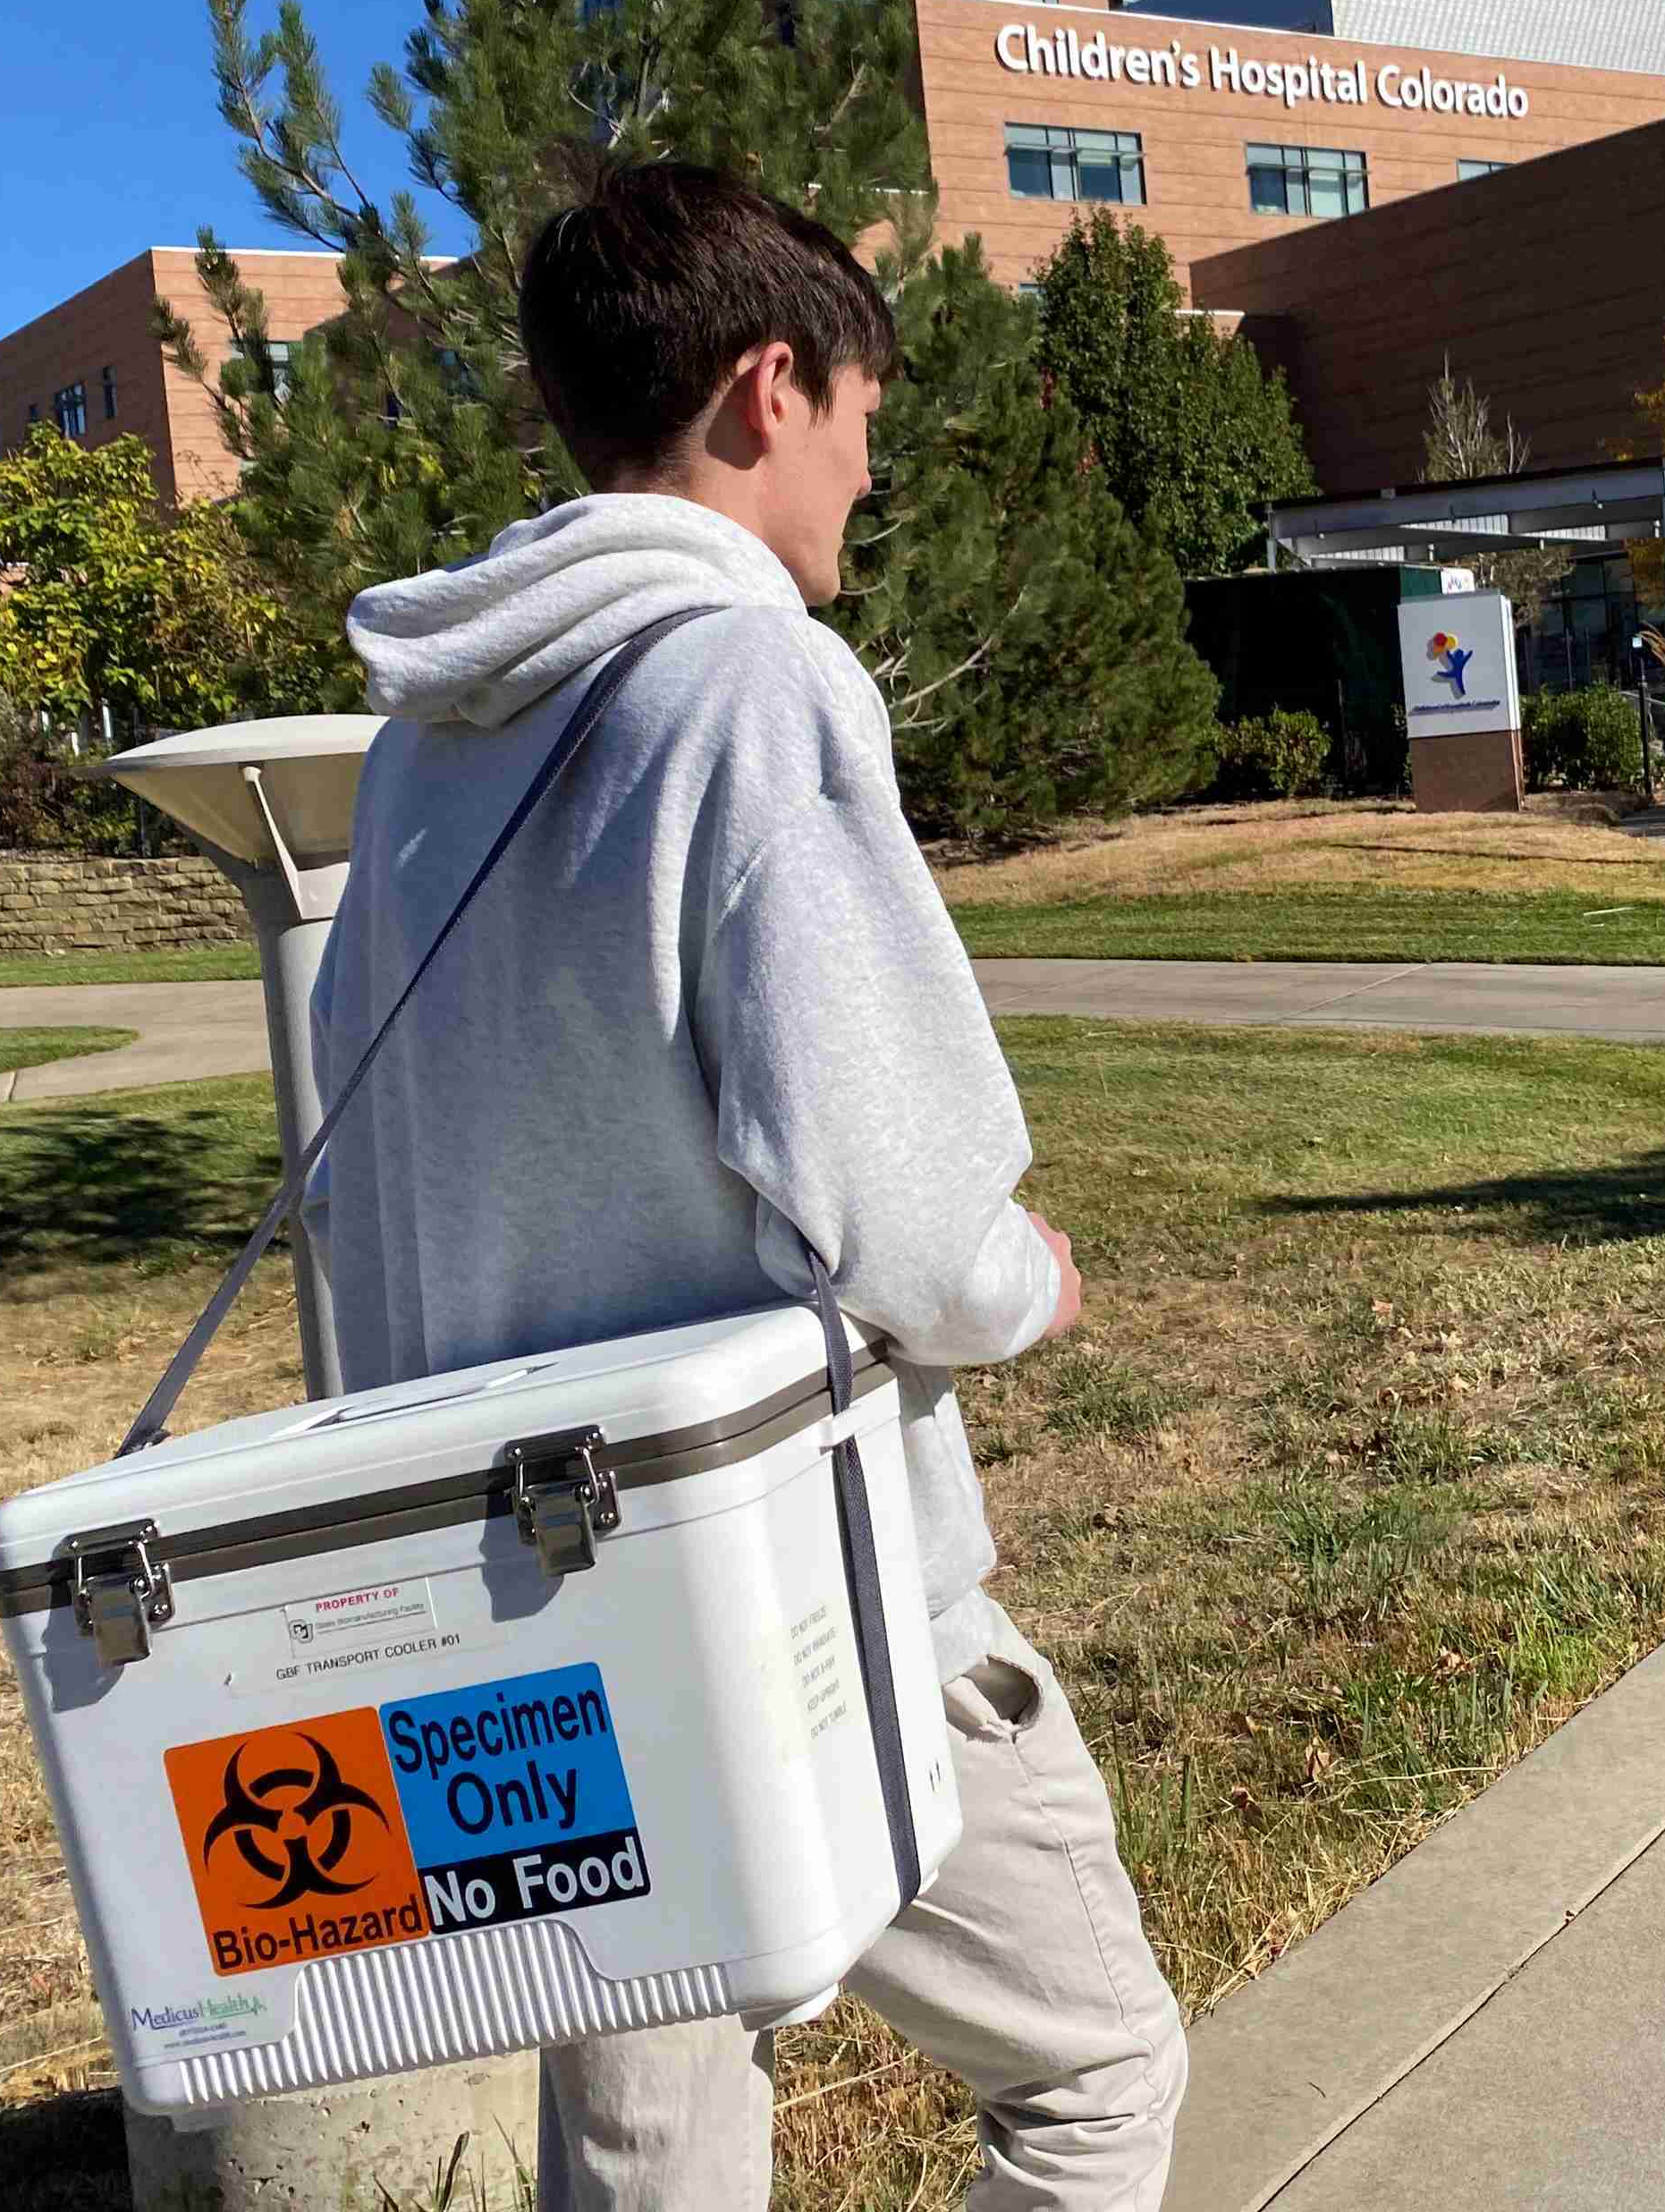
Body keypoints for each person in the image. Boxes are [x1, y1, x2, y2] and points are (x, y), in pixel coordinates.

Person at [305, 161, 1187, 2211]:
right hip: (792, 1588)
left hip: (530, 1607)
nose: (870, 483)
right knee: (1091, 2079)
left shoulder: (431, 747)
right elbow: (906, 1204)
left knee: (649, 2165)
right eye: (867, 424)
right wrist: (1025, 1279)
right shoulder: (751, 681)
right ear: (766, 388)